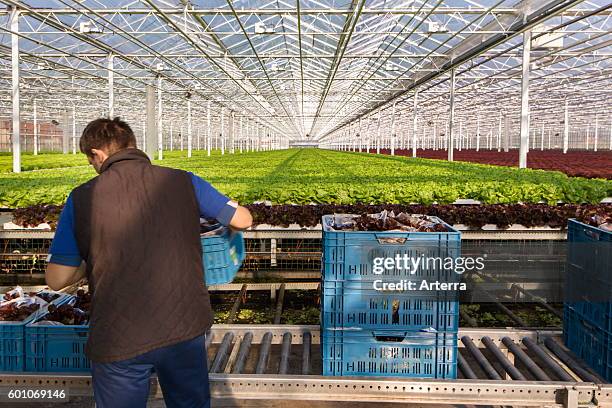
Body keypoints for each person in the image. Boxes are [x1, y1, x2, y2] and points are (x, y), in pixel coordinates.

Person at [45, 117, 252, 408]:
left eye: (90, 160)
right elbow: (243, 219)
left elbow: (56, 279)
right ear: (132, 144)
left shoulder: (82, 198)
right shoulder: (183, 181)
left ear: (97, 154)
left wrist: (90, 259)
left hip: (119, 336)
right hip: (184, 326)